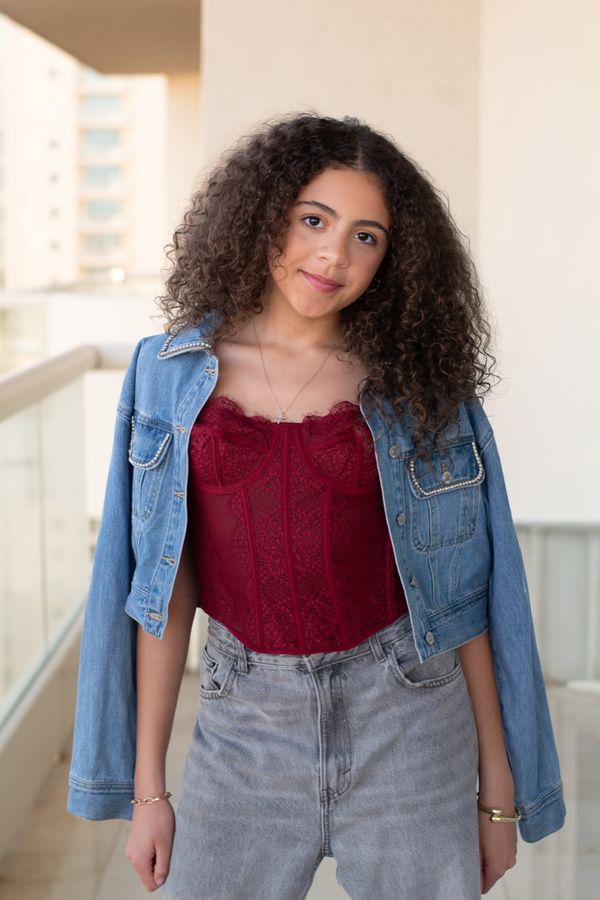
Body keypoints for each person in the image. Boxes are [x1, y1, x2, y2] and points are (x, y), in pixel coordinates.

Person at [66, 112, 566, 900]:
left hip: (408, 720)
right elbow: (160, 591)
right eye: (314, 220)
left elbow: (466, 593)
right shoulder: (168, 374)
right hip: (242, 731)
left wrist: (497, 793)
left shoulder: (420, 385)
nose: (335, 254)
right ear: (264, 218)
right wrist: (149, 791)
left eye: (367, 236)